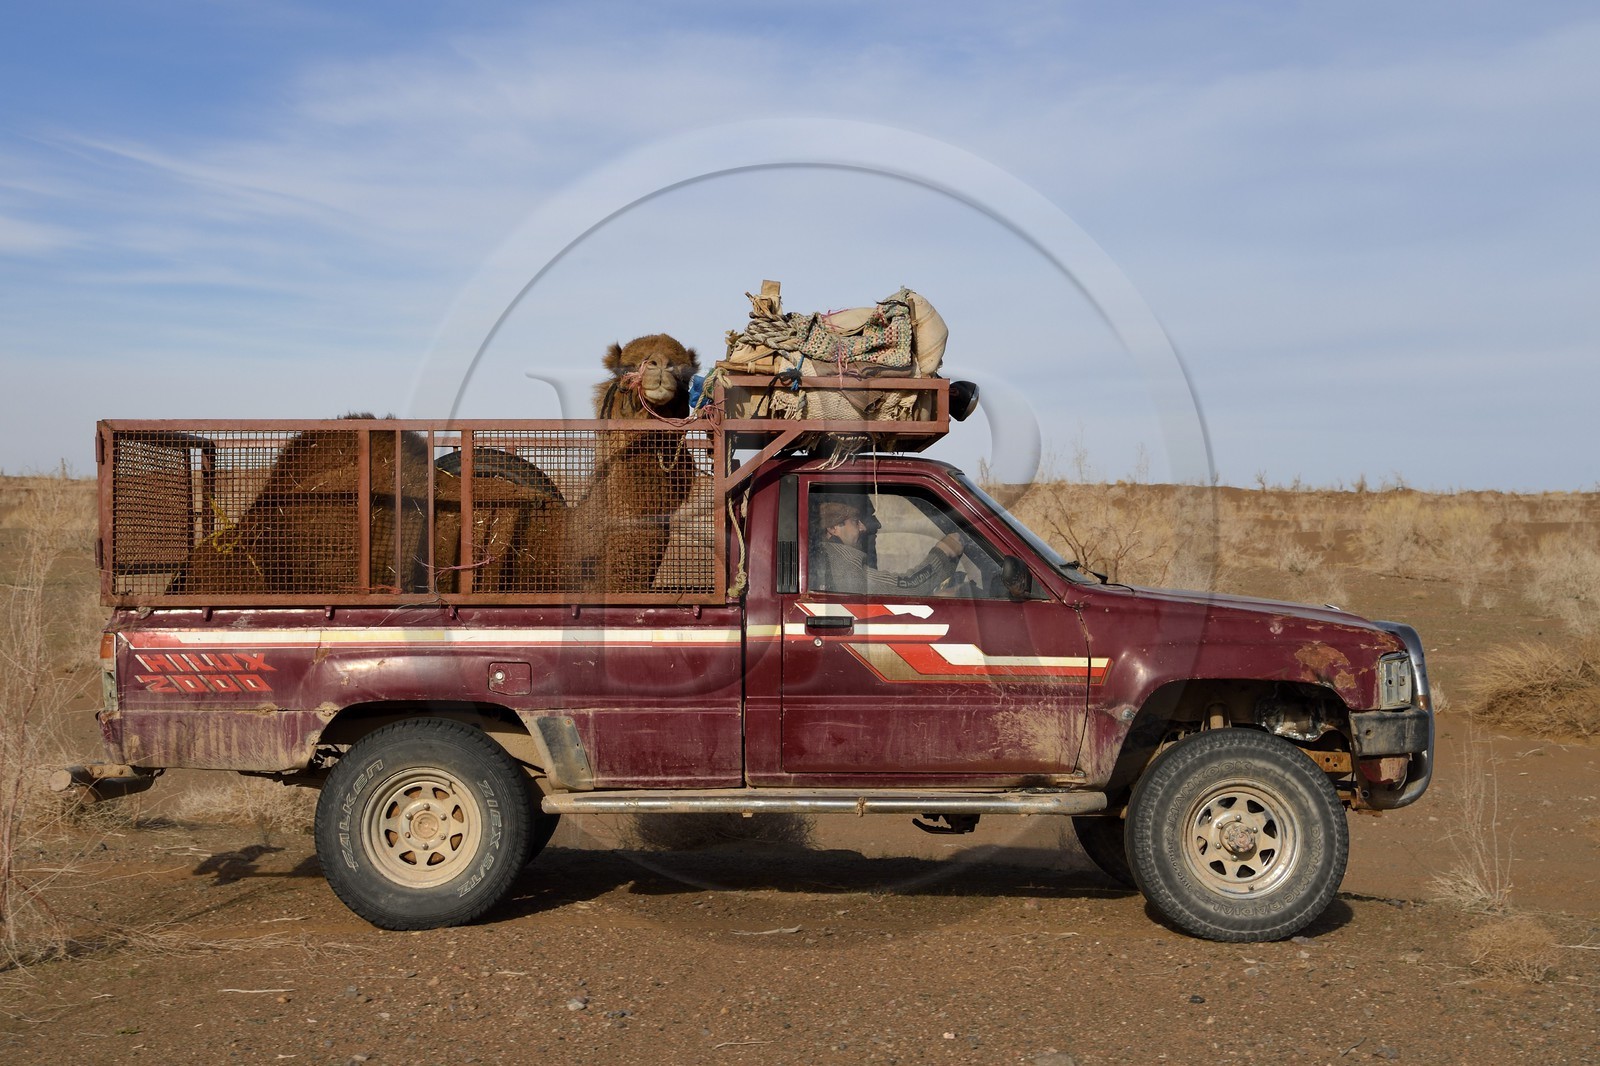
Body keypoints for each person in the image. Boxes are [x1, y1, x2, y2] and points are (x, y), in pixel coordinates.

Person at [812, 497, 963, 594]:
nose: (863, 528)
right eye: (855, 521)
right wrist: (942, 552)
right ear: (832, 528)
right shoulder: (845, 560)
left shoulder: (826, 554)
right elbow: (910, 586)